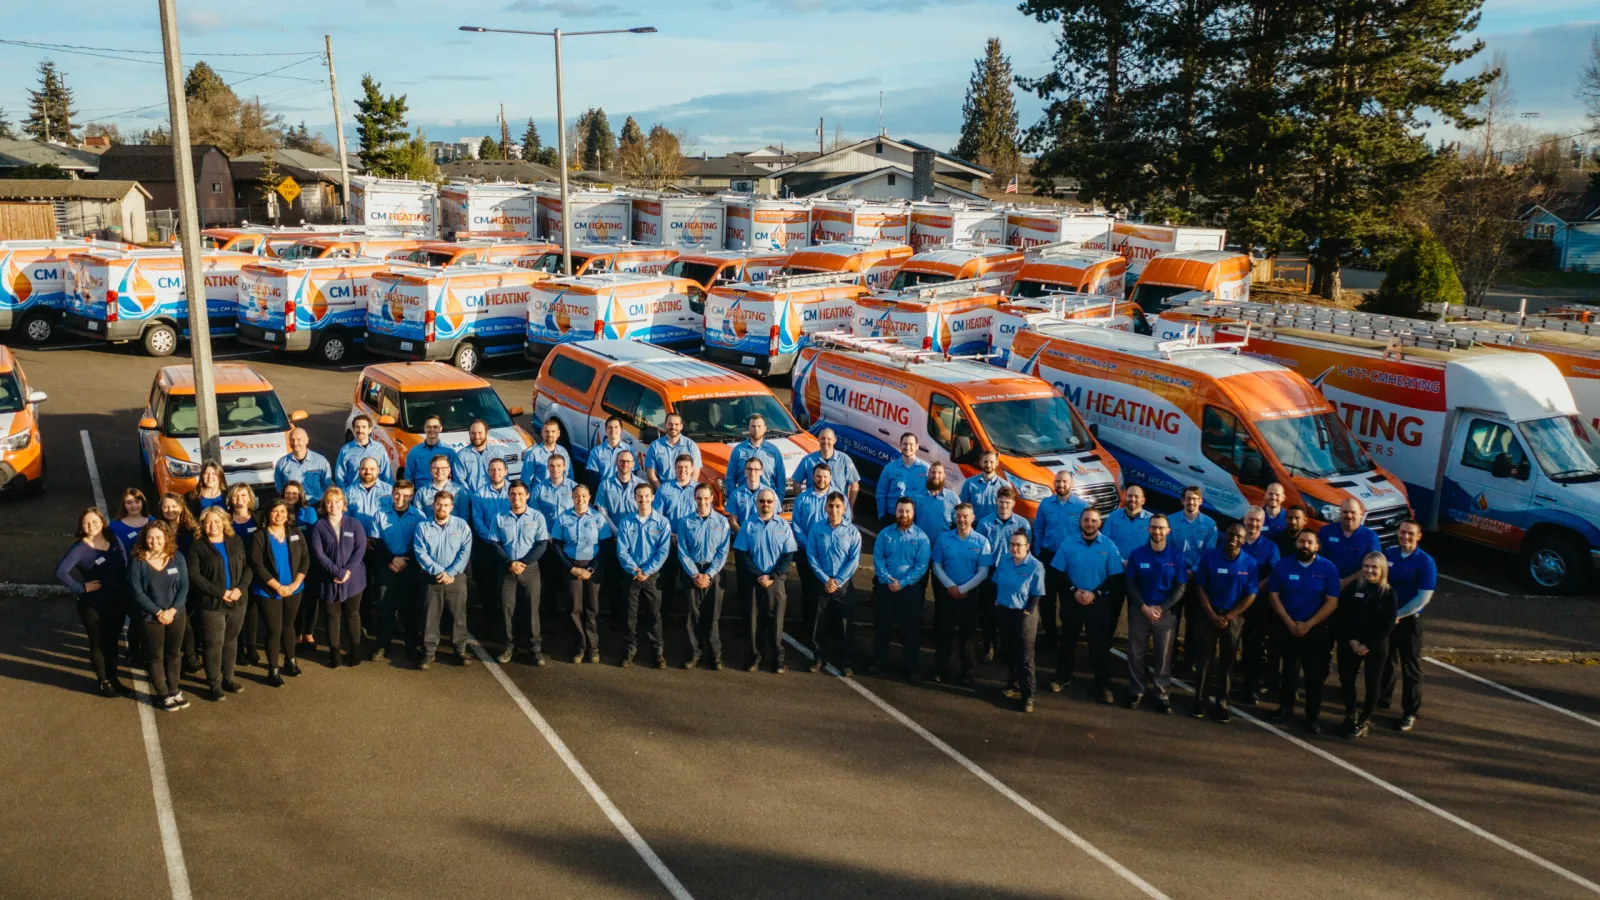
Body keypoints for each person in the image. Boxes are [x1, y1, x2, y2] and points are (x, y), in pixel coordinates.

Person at [1267, 531, 1342, 734]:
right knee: (1289, 671)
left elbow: (1332, 601)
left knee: (1314, 676)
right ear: (1296, 544)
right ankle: (1285, 708)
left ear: (1317, 546)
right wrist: (1290, 623)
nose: (1305, 545)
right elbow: (1273, 595)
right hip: (1288, 626)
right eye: (1302, 541)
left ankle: (1312, 716)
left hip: (1316, 631)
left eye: (1310, 542)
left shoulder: (1328, 568)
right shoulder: (1283, 565)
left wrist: (1308, 624)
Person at [55, 507, 133, 698]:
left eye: (95, 521)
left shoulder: (112, 538)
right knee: (98, 643)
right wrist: (81, 588)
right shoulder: (80, 548)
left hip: (117, 601)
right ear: (81, 526)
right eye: (87, 523)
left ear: (102, 522)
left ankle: (114, 678)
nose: (91, 526)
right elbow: (61, 572)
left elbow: (125, 562)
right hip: (93, 604)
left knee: (113, 642)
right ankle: (103, 681)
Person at [1051, 508, 1124, 704]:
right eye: (1086, 520)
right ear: (1080, 522)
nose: (1089, 524)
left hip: (1097, 602)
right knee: (1067, 641)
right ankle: (1062, 677)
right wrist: (1074, 590)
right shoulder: (1068, 543)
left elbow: (1115, 576)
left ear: (1099, 523)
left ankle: (1102, 685)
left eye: (1093, 520)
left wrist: (1095, 593)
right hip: (1073, 600)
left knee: (1099, 645)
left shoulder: (1109, 546)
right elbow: (1058, 572)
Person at [1191, 523, 1259, 722]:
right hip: (1208, 614)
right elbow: (1200, 587)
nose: (1234, 539)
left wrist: (1229, 617)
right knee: (1204, 659)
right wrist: (1212, 615)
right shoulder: (1209, 557)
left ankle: (1222, 703)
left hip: (1234, 617)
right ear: (1225, 535)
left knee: (1228, 662)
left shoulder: (1250, 563)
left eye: (1239, 536)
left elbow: (1251, 595)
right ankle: (1199, 701)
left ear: (1244, 540)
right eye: (1230, 534)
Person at [1122, 514, 1186, 712]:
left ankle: (1161, 693)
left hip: (1164, 614)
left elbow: (1181, 587)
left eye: (1160, 528)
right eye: (1153, 527)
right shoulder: (1137, 554)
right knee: (1136, 653)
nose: (1156, 531)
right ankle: (1137, 690)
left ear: (1167, 531)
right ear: (1148, 529)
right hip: (1140, 611)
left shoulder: (1177, 556)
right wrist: (1143, 607)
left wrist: (1162, 608)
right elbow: (1131, 584)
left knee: (1163, 655)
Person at [188, 507, 252, 702]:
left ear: (224, 522)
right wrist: (221, 592)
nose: (212, 526)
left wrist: (239, 589)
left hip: (238, 601)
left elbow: (248, 568)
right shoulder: (197, 546)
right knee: (213, 644)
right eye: (208, 522)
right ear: (202, 524)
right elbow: (194, 576)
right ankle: (214, 683)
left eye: (216, 521)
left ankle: (229, 677)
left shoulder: (236, 541)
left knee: (231, 639)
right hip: (212, 604)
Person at [127, 522, 190, 711]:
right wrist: (158, 612)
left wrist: (172, 611)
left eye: (159, 537)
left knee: (174, 653)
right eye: (150, 537)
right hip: (151, 617)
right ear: (145, 539)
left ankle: (174, 690)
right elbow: (137, 593)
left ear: (166, 539)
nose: (155, 541)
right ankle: (163, 694)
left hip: (176, 614)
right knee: (155, 656)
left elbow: (184, 586)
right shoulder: (137, 561)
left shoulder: (176, 557)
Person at [734, 488, 797, 673]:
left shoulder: (783, 526)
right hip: (755, 581)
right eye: (762, 501)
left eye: (769, 501)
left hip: (775, 581)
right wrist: (758, 576)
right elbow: (742, 554)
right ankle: (755, 656)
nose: (765, 504)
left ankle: (778, 659)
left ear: (775, 503)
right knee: (754, 621)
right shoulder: (748, 525)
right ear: (757, 503)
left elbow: (788, 555)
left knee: (776, 622)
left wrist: (772, 576)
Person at [248, 498, 309, 686]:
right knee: (274, 630)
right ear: (268, 514)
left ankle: (291, 661)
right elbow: (257, 565)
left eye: (283, 511)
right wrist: (278, 587)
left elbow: (306, 558)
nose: (279, 515)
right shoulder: (259, 536)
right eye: (275, 511)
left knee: (289, 626)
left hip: (294, 589)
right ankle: (273, 669)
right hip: (269, 591)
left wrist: (296, 582)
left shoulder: (295, 533)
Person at [1337, 552, 1398, 740]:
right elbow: (1343, 615)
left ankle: (1364, 720)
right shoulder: (1353, 587)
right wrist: (1352, 640)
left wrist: (1367, 645)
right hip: (1351, 642)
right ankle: (1350, 714)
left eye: (1374, 567)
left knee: (1372, 682)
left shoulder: (1388, 593)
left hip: (1375, 646)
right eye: (1366, 566)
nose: (1369, 571)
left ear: (1382, 570)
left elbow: (1388, 624)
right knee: (1346, 679)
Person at [1382, 521, 1435, 732]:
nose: (1405, 537)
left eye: (1410, 533)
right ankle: (1383, 699)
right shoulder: (1389, 553)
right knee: (1386, 659)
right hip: (1388, 619)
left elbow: (1423, 598)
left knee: (1410, 667)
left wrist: (1399, 614)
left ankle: (1409, 712)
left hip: (1409, 621)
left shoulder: (1426, 562)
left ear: (1419, 536)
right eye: (1402, 532)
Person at [870, 496, 931, 680]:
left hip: (909, 589)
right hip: (885, 586)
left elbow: (921, 566)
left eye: (907, 511)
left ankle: (911, 667)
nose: (903, 514)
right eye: (900, 511)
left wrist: (902, 583)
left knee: (910, 629)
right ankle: (879, 661)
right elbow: (878, 558)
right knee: (882, 626)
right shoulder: (885, 534)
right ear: (895, 512)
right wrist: (888, 579)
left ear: (913, 514)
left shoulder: (921, 538)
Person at [931, 503, 991, 685]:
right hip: (947, 594)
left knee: (967, 634)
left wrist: (963, 589)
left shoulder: (982, 542)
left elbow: (983, 572)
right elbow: (936, 566)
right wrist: (951, 587)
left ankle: (967, 670)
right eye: (958, 516)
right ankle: (941, 668)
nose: (962, 520)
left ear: (973, 518)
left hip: (969, 596)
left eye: (965, 516)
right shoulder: (943, 538)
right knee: (944, 632)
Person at [492, 481, 550, 666]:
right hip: (507, 569)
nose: (516, 497)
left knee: (532, 609)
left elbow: (542, 544)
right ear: (508, 496)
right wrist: (510, 563)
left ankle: (534, 649)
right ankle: (509, 646)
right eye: (512, 494)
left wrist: (523, 563)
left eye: (519, 494)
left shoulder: (537, 517)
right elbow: (494, 544)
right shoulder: (500, 517)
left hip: (529, 569)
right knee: (507, 609)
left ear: (527, 496)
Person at [617, 483, 674, 668]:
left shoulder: (662, 523)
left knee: (654, 614)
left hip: (653, 576)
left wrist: (647, 571)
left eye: (646, 496)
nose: (643, 500)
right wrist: (635, 570)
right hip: (631, 575)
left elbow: (663, 551)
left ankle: (658, 652)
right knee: (629, 615)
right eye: (639, 496)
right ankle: (630, 649)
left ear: (652, 497)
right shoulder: (626, 522)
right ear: (634, 498)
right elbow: (622, 550)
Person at [415, 491, 474, 669]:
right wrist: (439, 571)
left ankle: (460, 649)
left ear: (452, 507)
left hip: (455, 578)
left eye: (446, 505)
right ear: (433, 505)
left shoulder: (462, 526)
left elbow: (465, 552)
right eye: (439, 504)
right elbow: (420, 552)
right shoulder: (422, 526)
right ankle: (429, 652)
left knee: (458, 615)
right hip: (431, 577)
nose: (442, 508)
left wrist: (451, 572)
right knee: (430, 615)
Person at [310, 486, 367, 669]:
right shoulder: (319, 526)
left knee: (352, 614)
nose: (333, 505)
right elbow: (318, 554)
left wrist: (347, 571)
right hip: (328, 578)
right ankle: (334, 652)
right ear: (324, 505)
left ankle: (355, 649)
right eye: (329, 502)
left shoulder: (354, 524)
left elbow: (360, 549)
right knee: (332, 615)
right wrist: (336, 572)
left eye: (337, 502)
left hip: (353, 579)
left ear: (344, 504)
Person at [553, 485, 611, 664]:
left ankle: (594, 648)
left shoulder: (598, 518)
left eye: (584, 496)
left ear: (589, 497)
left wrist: (591, 569)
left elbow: (605, 546)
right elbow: (556, 545)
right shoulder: (563, 518)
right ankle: (580, 646)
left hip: (593, 568)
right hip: (571, 567)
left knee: (592, 609)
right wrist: (571, 568)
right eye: (577, 496)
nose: (580, 499)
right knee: (574, 609)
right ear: (572, 497)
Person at [1033, 470, 1091, 647]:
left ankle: (1067, 639)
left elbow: (1086, 533)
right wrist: (1038, 554)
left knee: (1068, 601)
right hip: (1048, 558)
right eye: (1058, 482)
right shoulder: (1045, 504)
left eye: (1064, 482)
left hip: (1070, 562)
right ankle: (1050, 636)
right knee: (1046, 600)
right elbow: (1038, 529)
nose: (1061, 485)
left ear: (1071, 483)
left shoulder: (1081, 507)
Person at [369, 480, 425, 662]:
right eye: (397, 494)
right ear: (392, 493)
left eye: (406, 495)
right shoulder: (380, 515)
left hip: (409, 566)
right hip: (387, 566)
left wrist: (404, 560)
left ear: (412, 496)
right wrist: (392, 560)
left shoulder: (419, 516)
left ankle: (411, 645)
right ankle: (382, 645)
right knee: (385, 607)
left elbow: (420, 544)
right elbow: (376, 542)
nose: (401, 498)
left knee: (409, 608)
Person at [805, 491, 860, 675]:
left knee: (845, 625)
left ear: (844, 509)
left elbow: (854, 560)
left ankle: (846, 662)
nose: (834, 510)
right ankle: (819, 658)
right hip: (822, 583)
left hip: (843, 585)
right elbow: (811, 556)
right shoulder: (817, 529)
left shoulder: (852, 532)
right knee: (818, 623)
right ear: (825, 507)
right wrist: (825, 579)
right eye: (831, 506)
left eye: (838, 506)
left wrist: (838, 581)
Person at [993, 531, 1048, 713]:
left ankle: (1028, 695)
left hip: (1024, 616)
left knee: (1025, 657)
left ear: (1027, 546)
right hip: (1004, 611)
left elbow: (1036, 593)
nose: (1015, 548)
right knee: (1008, 650)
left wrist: (1027, 611)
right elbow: (997, 582)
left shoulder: (1035, 566)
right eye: (1012, 544)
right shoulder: (1005, 561)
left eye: (1019, 545)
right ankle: (1013, 683)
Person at [677, 484, 731, 670]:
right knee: (693, 615)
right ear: (694, 498)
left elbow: (723, 552)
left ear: (712, 499)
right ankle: (695, 653)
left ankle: (715, 656)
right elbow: (683, 551)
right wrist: (695, 574)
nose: (702, 502)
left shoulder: (722, 522)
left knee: (712, 615)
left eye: (706, 498)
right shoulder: (685, 522)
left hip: (713, 573)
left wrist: (708, 574)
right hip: (692, 572)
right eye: (699, 498)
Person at [977, 487, 1031, 664]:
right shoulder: (985, 524)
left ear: (1014, 503)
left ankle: (1007, 647)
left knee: (1010, 612)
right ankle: (989, 644)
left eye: (1008, 502)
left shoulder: (1023, 525)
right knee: (989, 612)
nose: (1004, 506)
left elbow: (1028, 553)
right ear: (996, 502)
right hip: (991, 574)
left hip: (1013, 574)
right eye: (1001, 502)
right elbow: (979, 552)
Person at [792, 463, 840, 658]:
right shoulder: (803, 499)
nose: (821, 480)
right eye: (818, 476)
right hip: (806, 553)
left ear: (830, 477)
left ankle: (832, 630)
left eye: (825, 476)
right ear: (812, 477)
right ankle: (808, 627)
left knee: (832, 592)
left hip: (830, 556)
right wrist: (808, 545)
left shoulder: (838, 499)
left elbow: (846, 525)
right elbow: (796, 525)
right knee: (810, 591)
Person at [1167, 485, 1217, 669]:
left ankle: (1189, 659)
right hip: (1176, 577)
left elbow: (1208, 552)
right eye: (1188, 498)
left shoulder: (1210, 524)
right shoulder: (1171, 521)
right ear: (1182, 501)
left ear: (1200, 501)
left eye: (1195, 499)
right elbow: (1169, 550)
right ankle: (1170, 655)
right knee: (1173, 618)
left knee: (1194, 621)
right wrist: (1182, 571)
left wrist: (1193, 571)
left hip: (1198, 580)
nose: (1191, 502)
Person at [1239, 506, 1283, 704]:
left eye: (1257, 520)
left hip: (1257, 604)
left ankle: (1250, 688)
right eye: (1250, 519)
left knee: (1253, 647)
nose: (1253, 523)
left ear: (1263, 522)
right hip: (1233, 601)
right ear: (1244, 520)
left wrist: (1255, 588)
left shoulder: (1271, 547)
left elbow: (1274, 573)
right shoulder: (1235, 541)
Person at [156, 493, 202, 675]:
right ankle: (170, 659)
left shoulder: (193, 529)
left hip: (189, 582)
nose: (170, 510)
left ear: (182, 507)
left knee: (189, 623)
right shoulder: (156, 529)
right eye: (166, 507)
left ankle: (190, 658)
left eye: (174, 506)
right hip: (165, 582)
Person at [653, 454, 699, 613]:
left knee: (690, 581)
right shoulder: (664, 489)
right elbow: (658, 517)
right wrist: (672, 536)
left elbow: (702, 518)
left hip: (690, 545)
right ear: (675, 468)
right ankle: (664, 615)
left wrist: (684, 537)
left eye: (686, 467)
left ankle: (690, 617)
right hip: (669, 542)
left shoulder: (699, 490)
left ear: (692, 469)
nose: (683, 470)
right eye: (679, 467)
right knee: (667, 580)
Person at [223, 485, 262, 668]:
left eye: (243, 495)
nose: (239, 499)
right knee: (236, 612)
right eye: (236, 495)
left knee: (251, 610)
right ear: (230, 499)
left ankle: (252, 646)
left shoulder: (258, 518)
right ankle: (238, 650)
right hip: (234, 572)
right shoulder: (225, 520)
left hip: (254, 570)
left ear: (249, 498)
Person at [1318, 499, 1381, 589]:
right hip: (1326, 584)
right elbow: (1316, 559)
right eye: (1345, 512)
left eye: (1353, 512)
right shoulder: (1325, 532)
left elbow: (1374, 566)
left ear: (1361, 514)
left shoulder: (1370, 537)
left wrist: (1345, 582)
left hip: (1358, 587)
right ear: (1340, 513)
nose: (1349, 515)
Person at [724, 414, 786, 497]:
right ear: (749, 428)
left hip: (767, 502)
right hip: (744, 501)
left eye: (759, 426)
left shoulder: (774, 451)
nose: (756, 429)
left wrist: (777, 501)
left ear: (765, 428)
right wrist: (734, 499)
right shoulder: (738, 451)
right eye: (753, 426)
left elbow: (781, 480)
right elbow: (730, 478)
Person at [795, 427, 860, 506]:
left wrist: (850, 506)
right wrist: (801, 503)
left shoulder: (844, 460)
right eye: (823, 438)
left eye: (829, 439)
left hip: (838, 509)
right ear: (818, 439)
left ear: (834, 440)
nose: (826, 441)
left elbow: (854, 484)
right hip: (815, 508)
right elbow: (796, 482)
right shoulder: (808, 460)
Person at [875, 433, 928, 527]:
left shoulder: (925, 469)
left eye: (911, 444)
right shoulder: (890, 468)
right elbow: (881, 493)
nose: (908, 447)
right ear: (900, 445)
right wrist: (882, 516)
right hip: (892, 518)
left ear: (917, 446)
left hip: (916, 520)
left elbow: (929, 495)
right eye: (905, 444)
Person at [274, 428, 332, 503]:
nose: (295, 443)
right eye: (292, 439)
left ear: (306, 440)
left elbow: (326, 484)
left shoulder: (321, 461)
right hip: (292, 505)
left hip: (315, 504)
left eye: (299, 439)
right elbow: (280, 487)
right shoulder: (282, 463)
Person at [644, 412, 701, 488]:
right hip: (661, 489)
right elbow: (651, 473)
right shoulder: (655, 446)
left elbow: (695, 474)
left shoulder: (691, 446)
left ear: (681, 426)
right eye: (670, 424)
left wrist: (686, 492)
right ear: (665, 426)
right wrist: (661, 491)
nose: (673, 427)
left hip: (684, 490)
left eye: (676, 424)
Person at [335, 414, 393, 488]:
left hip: (376, 494)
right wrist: (344, 494)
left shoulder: (379, 449)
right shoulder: (345, 450)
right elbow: (340, 476)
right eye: (357, 427)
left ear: (370, 430)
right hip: (354, 495)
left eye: (364, 427)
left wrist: (388, 492)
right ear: (353, 429)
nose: (360, 430)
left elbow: (387, 473)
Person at [912, 462, 959, 545]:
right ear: (928, 474)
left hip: (943, 546)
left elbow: (958, 523)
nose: (936, 476)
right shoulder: (916, 496)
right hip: (919, 544)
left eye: (939, 473)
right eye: (933, 472)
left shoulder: (953, 498)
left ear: (944, 475)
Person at [416, 455, 471, 524]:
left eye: (443, 468)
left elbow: (464, 516)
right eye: (435, 468)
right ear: (430, 470)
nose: (439, 471)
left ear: (449, 470)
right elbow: (419, 518)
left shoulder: (460, 491)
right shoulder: (421, 493)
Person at [453, 419, 501, 494]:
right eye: (473, 433)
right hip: (470, 499)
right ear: (469, 434)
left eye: (480, 433)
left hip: (494, 499)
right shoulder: (461, 456)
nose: (477, 436)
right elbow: (459, 481)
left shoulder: (498, 453)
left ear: (486, 433)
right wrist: (472, 497)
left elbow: (503, 479)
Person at [403, 415, 455, 485]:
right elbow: (409, 476)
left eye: (435, 427)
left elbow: (455, 475)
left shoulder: (449, 451)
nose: (432, 429)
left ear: (440, 429)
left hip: (443, 493)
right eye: (428, 427)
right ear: (424, 428)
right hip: (421, 493)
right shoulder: (414, 452)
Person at [959, 451, 1005, 524]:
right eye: (985, 462)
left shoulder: (1004, 486)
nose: (988, 465)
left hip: (994, 529)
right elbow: (962, 508)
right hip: (974, 529)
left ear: (997, 463)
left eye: (991, 462)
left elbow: (1007, 512)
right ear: (980, 462)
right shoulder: (969, 483)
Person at [523, 419, 572, 485]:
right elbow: (526, 481)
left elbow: (569, 475)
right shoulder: (533, 454)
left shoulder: (563, 452)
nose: (550, 434)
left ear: (558, 433)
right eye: (546, 431)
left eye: (553, 431)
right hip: (541, 494)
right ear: (542, 433)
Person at [585, 417, 630, 487]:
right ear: (606, 430)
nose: (613, 430)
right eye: (610, 427)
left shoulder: (629, 450)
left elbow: (633, 473)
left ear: (621, 430)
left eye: (616, 427)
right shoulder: (596, 451)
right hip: (603, 490)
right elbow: (593, 476)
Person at [724, 457, 765, 532]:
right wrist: (743, 537)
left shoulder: (770, 494)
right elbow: (733, 522)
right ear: (745, 471)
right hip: (742, 536)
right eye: (749, 469)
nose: (752, 472)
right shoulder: (736, 495)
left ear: (761, 471)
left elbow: (774, 520)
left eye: (756, 469)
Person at [109, 487, 151, 554]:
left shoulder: (152, 522)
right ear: (123, 505)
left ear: (143, 503)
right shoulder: (114, 526)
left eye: (137, 502)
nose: (133, 505)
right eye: (129, 503)